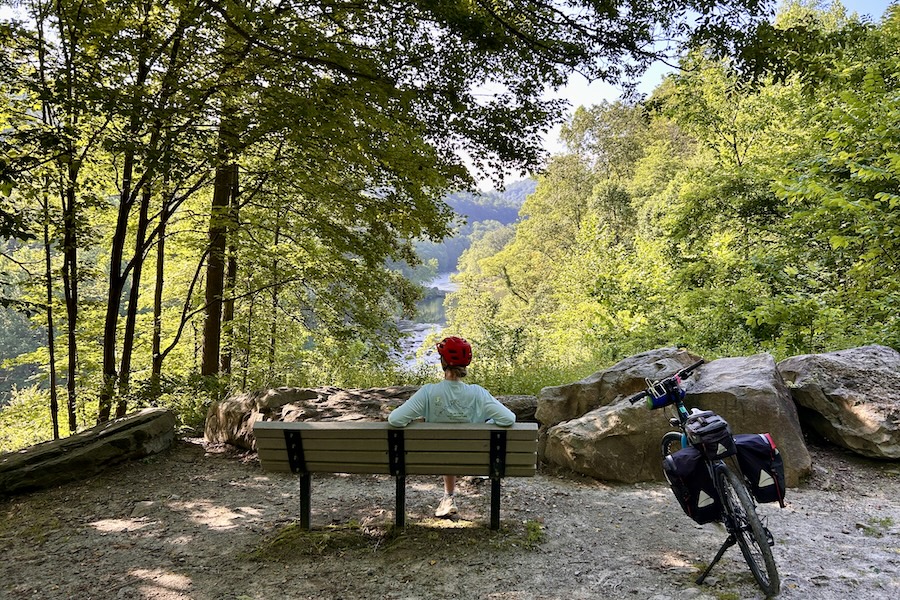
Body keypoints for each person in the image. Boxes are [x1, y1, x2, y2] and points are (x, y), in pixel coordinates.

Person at [388, 336, 516, 518]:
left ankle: (448, 497)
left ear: (443, 362)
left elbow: (395, 419)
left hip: (433, 458)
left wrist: (421, 423)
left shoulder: (428, 392)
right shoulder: (478, 394)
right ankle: (449, 497)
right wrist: (484, 425)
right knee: (455, 445)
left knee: (446, 448)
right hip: (473, 457)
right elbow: (508, 418)